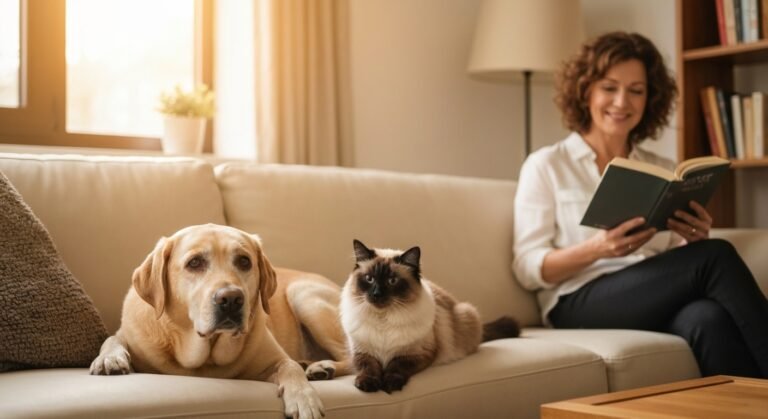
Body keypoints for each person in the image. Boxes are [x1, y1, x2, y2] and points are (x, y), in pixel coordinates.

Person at [513, 31, 768, 378]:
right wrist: (598, 248)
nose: (622, 102)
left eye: (636, 91)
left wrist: (692, 238)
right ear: (586, 89)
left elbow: (671, 259)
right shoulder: (547, 164)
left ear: (650, 99)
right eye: (609, 87)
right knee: (717, 255)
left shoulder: (660, 168)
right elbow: (528, 268)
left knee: (707, 318)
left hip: (648, 294)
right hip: (577, 300)